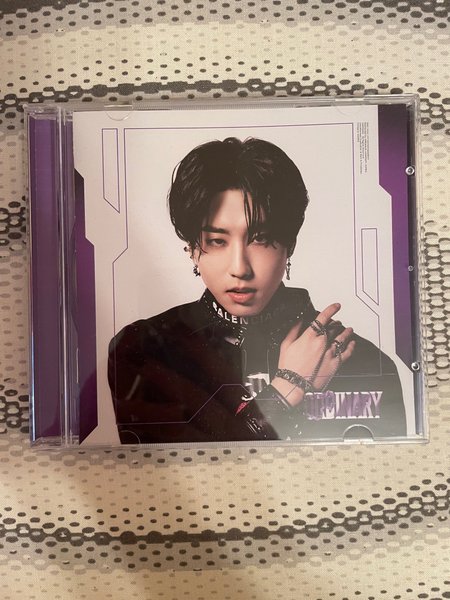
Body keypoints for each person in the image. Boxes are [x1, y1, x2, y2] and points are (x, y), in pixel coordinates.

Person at [108, 137, 406, 444]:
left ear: (290, 245)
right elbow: (175, 471)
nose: (240, 268)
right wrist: (287, 388)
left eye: (260, 238)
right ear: (193, 250)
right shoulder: (143, 350)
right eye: (217, 241)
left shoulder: (364, 362)